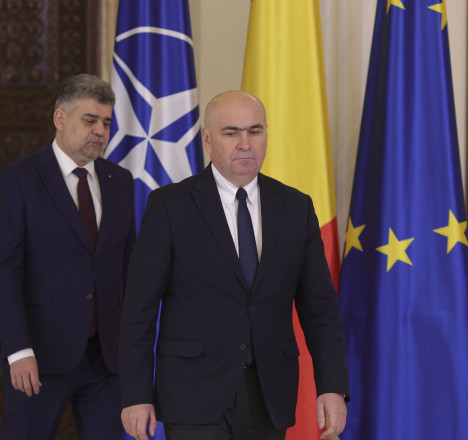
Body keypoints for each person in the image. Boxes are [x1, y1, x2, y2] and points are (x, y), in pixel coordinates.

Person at [119, 91, 350, 440]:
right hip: (192, 393)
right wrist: (136, 395)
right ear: (208, 140)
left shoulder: (295, 207)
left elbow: (321, 309)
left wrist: (332, 386)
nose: (245, 143)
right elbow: (139, 309)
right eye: (231, 132)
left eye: (255, 131)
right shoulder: (170, 206)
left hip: (269, 395)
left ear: (266, 134)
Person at [0, 73, 137, 439]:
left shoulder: (120, 181)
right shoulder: (19, 178)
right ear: (60, 118)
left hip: (106, 359)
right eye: (90, 120)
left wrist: (132, 348)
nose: (100, 131)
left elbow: (129, 268)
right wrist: (18, 349)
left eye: (106, 122)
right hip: (39, 355)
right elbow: (5, 272)